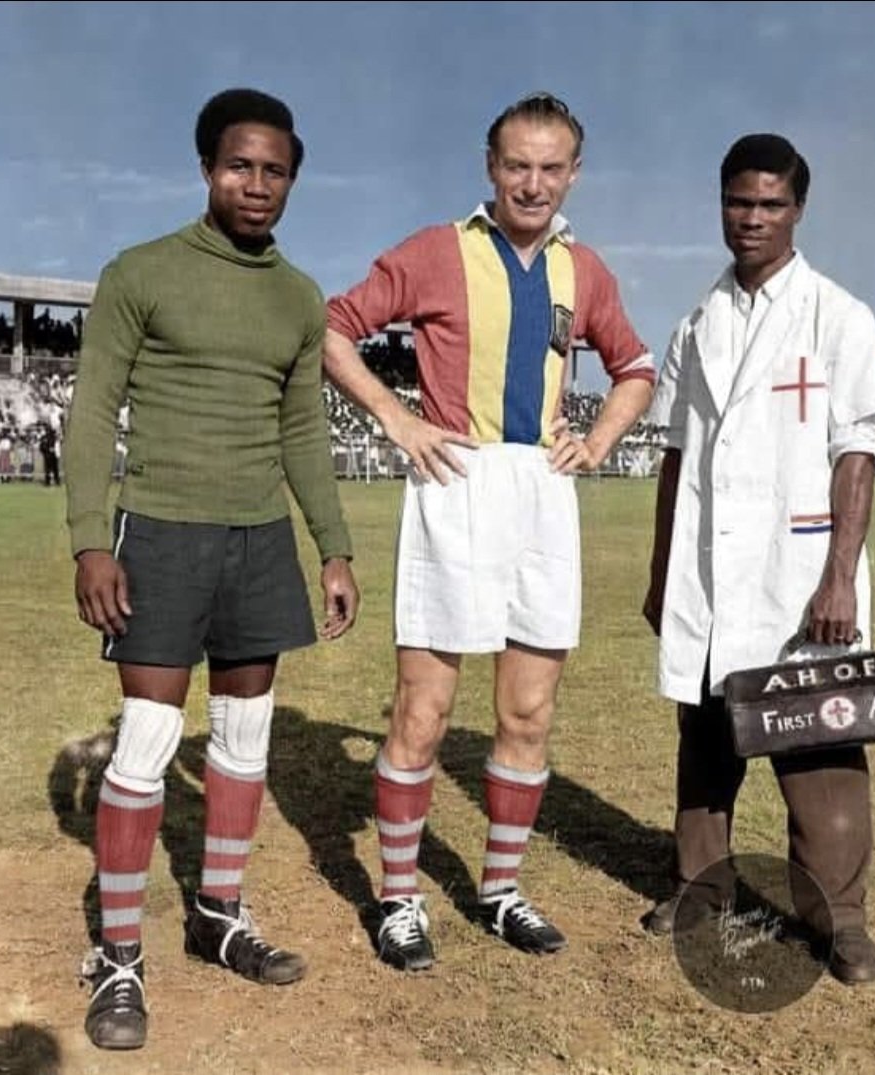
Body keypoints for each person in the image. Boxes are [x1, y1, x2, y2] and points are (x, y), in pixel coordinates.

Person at [324, 92, 655, 972]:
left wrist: (598, 440)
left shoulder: (585, 271)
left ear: (574, 173)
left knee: (528, 710)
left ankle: (501, 889)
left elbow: (636, 367)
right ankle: (400, 898)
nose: (532, 184)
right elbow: (334, 328)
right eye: (517, 165)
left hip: (542, 492)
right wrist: (398, 418)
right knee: (423, 711)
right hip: (455, 483)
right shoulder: (438, 251)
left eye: (550, 168)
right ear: (490, 167)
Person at [64, 87, 359, 1050]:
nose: (257, 184)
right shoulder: (140, 272)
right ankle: (118, 956)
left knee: (242, 736)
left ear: (292, 180)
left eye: (275, 171)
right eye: (240, 166)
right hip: (160, 533)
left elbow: (303, 430)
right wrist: (91, 541)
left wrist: (334, 546)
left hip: (258, 539)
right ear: (205, 168)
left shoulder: (299, 296)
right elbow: (91, 411)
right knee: (149, 739)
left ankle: (219, 913)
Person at [641, 134, 875, 985]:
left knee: (820, 744)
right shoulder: (696, 324)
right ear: (720, 203)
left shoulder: (838, 316)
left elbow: (856, 452)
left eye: (770, 204)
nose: (751, 218)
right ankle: (699, 888)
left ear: (798, 209)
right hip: (711, 571)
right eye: (738, 202)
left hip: (797, 572)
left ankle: (841, 920)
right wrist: (662, 572)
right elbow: (675, 456)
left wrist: (838, 576)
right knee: (706, 738)